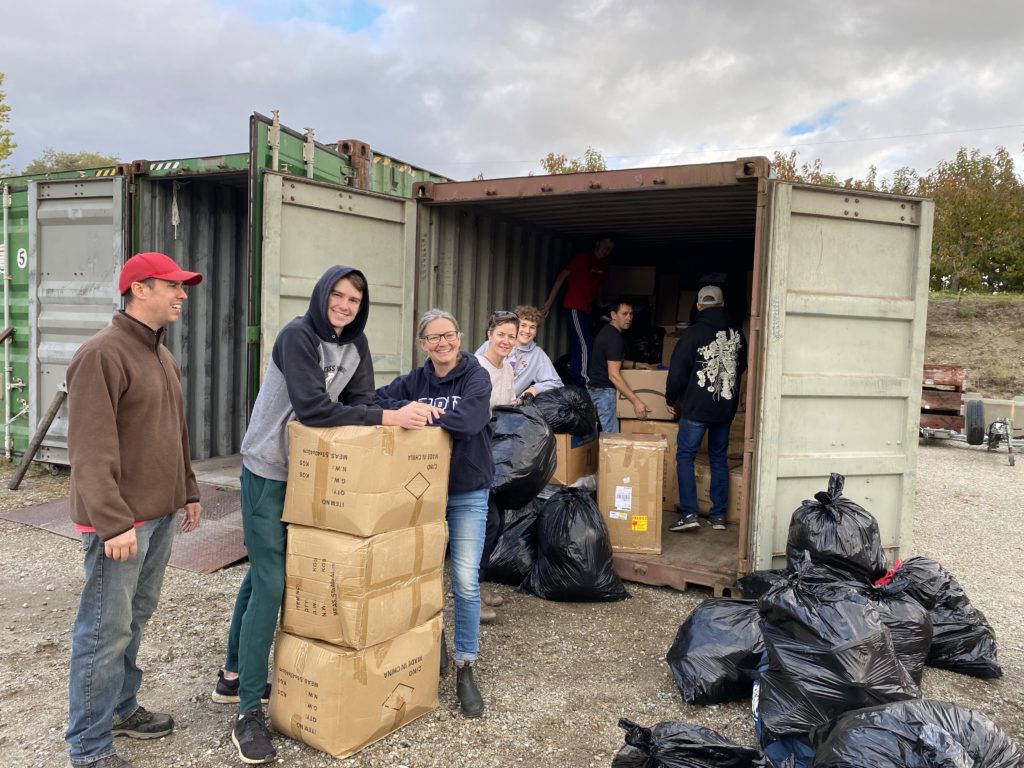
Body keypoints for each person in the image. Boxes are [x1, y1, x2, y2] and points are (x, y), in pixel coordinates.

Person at [218, 266, 434, 764]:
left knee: (262, 575)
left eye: (354, 299)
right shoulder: (297, 336)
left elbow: (361, 403)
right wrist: (386, 416)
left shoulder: (355, 347)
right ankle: (249, 710)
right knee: (273, 583)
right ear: (321, 295)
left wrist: (407, 415)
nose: (344, 304)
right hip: (269, 471)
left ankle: (231, 676)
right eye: (337, 295)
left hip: (309, 477)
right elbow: (314, 409)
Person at [65, 252, 204, 768]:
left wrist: (188, 490)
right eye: (173, 285)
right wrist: (113, 521)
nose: (182, 294)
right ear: (139, 289)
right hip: (123, 523)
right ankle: (88, 747)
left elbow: (174, 433)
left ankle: (121, 709)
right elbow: (90, 448)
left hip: (160, 513)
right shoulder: (101, 354)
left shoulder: (162, 356)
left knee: (133, 620)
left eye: (182, 287)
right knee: (103, 630)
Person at [375, 309, 493, 718]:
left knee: (464, 580)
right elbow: (378, 400)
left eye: (449, 335)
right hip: (423, 495)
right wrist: (406, 407)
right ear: (423, 344)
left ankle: (465, 664)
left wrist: (423, 415)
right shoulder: (416, 379)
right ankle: (432, 643)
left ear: (459, 338)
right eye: (434, 338)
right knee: (420, 574)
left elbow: (472, 419)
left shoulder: (476, 375)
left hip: (468, 490)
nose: (443, 343)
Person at [665, 285, 747, 533]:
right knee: (718, 457)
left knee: (685, 456)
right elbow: (740, 366)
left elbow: (677, 372)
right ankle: (718, 517)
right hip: (724, 407)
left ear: (699, 306)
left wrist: (671, 398)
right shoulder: (737, 334)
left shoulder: (692, 334)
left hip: (696, 408)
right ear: (722, 305)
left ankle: (690, 513)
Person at [541, 236, 613, 387]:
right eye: (604, 246)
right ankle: (585, 379)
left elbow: (598, 286)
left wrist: (600, 303)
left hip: (587, 309)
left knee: (577, 343)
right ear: (597, 243)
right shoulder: (582, 258)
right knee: (586, 344)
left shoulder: (604, 265)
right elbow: (561, 277)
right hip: (574, 307)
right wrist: (549, 303)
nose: (606, 250)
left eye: (609, 248)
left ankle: (575, 377)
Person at [587, 298, 654, 433]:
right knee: (612, 439)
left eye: (631, 314)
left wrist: (636, 364)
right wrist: (636, 402)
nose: (629, 318)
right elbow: (613, 375)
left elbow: (612, 360)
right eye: (624, 314)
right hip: (604, 393)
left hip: (595, 389)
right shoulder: (614, 338)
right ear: (613, 315)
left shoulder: (608, 332)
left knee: (599, 436)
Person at [474, 304, 562, 400]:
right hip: (480, 396)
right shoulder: (493, 343)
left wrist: (534, 389)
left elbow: (556, 382)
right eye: (523, 325)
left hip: (507, 404)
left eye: (532, 327)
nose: (527, 331)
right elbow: (472, 368)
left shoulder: (537, 355)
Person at [475, 310, 519, 411]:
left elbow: (510, 405)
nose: (506, 341)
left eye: (511, 337)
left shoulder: (508, 369)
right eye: (501, 335)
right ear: (490, 335)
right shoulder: (476, 366)